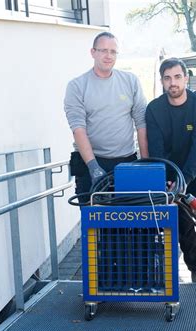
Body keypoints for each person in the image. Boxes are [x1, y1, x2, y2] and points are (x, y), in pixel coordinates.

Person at [146, 57, 196, 288]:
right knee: (181, 223)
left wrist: (185, 181)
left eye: (177, 77)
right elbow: (157, 150)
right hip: (171, 172)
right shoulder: (154, 110)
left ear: (186, 78)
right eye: (168, 78)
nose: (173, 83)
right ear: (162, 81)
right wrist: (172, 182)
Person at [64, 32, 148, 203]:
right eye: (103, 50)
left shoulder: (130, 81)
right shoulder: (77, 86)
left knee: (129, 224)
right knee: (94, 224)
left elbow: (141, 122)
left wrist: (146, 162)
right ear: (93, 52)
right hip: (91, 163)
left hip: (126, 163)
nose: (108, 56)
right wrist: (93, 167)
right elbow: (78, 128)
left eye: (113, 51)